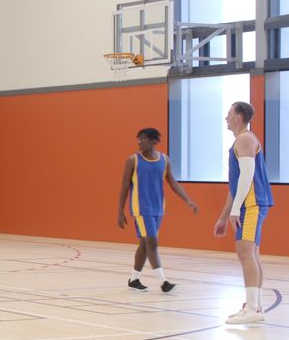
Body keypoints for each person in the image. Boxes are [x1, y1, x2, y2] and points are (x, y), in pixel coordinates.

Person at [214, 101, 274, 325]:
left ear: (239, 117)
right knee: (251, 254)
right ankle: (255, 307)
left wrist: (237, 209)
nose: (226, 118)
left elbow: (247, 176)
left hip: (253, 204)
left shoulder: (245, 139)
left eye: (229, 114)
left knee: (245, 253)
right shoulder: (241, 141)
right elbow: (236, 184)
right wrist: (223, 216)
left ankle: (252, 308)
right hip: (250, 203)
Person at [117, 128, 198, 292]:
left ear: (154, 142)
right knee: (152, 242)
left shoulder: (164, 160)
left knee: (145, 244)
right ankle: (163, 283)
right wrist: (120, 212)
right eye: (138, 139)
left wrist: (188, 200)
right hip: (141, 208)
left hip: (158, 209)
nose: (139, 142)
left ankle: (134, 279)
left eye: (143, 139)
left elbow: (173, 183)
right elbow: (124, 186)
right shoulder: (133, 160)